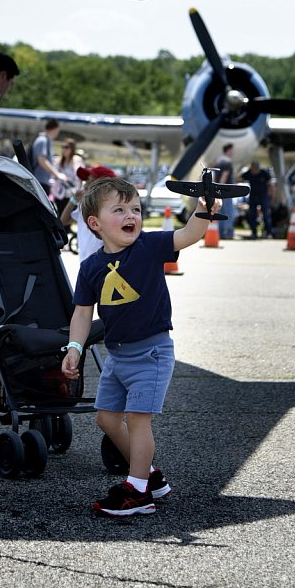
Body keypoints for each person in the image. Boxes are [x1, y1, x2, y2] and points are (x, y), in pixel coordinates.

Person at [61, 176, 221, 517]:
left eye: (135, 208)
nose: (131, 215)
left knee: (137, 420)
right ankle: (149, 475)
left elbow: (189, 235)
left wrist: (203, 211)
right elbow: (82, 312)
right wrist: (74, 346)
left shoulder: (149, 247)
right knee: (106, 419)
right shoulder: (90, 268)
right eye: (118, 209)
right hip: (116, 357)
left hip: (152, 353)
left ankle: (137, 492)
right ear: (95, 223)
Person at [60, 164, 117, 263]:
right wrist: (73, 200)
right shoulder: (84, 207)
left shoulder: (110, 210)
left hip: (103, 262)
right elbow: (63, 221)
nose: (85, 184)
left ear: (105, 186)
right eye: (85, 181)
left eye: (90, 181)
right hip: (85, 260)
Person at [29, 118, 68, 196]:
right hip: (39, 182)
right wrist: (57, 174)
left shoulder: (46, 140)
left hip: (42, 182)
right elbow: (42, 160)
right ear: (55, 129)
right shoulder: (42, 140)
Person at [50, 138, 84, 216]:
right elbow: (53, 176)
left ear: (72, 148)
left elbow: (81, 175)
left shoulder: (77, 160)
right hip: (60, 194)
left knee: (69, 215)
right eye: (63, 147)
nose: (64, 149)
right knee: (60, 215)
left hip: (73, 194)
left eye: (66, 147)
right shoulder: (58, 161)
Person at [240, 161, 273, 238]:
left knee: (266, 215)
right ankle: (254, 232)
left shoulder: (264, 173)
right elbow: (240, 177)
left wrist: (272, 196)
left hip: (264, 196)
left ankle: (269, 232)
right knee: (252, 214)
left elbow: (270, 184)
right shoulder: (249, 173)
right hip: (253, 196)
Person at [215, 143, 236, 239]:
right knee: (228, 212)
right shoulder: (227, 161)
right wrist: (221, 188)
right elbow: (224, 176)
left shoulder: (219, 160)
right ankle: (229, 232)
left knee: (220, 212)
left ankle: (221, 233)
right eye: (232, 150)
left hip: (218, 191)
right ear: (228, 150)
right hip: (226, 191)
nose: (233, 152)